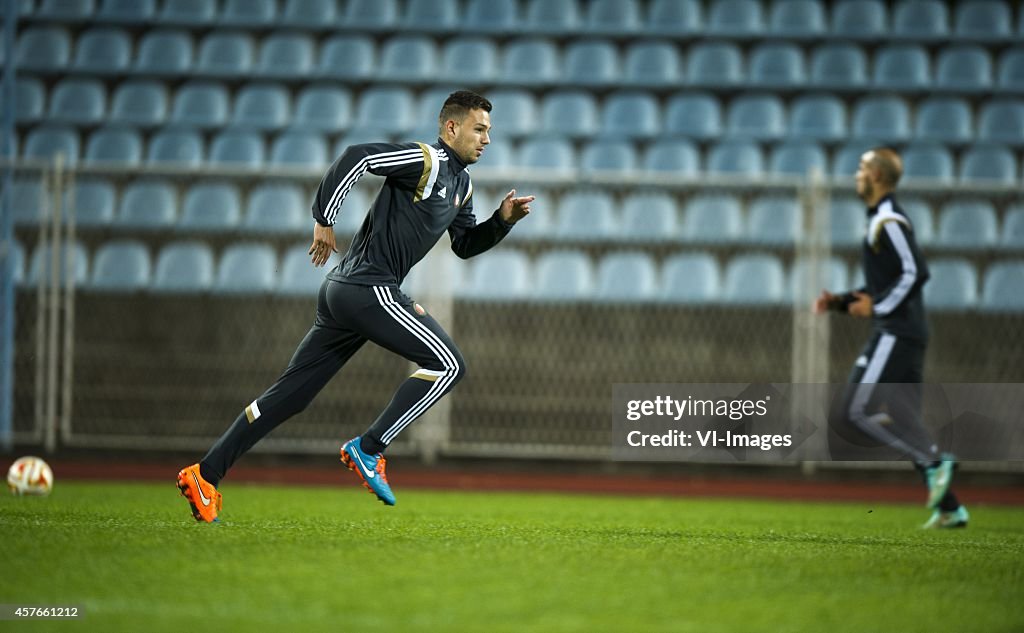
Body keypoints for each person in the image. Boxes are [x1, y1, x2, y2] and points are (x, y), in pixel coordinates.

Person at [176, 90, 534, 521]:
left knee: (290, 396)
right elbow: (358, 156)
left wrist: (502, 222)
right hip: (368, 288)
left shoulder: (462, 184)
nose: (487, 140)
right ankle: (369, 448)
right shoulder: (427, 161)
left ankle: (205, 474)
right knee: (448, 366)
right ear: (451, 127)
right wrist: (325, 218)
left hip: (346, 292)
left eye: (489, 131)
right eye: (479, 129)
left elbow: (464, 244)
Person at [813, 147, 968, 529]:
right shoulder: (879, 221)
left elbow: (916, 273)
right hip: (905, 330)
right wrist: (842, 301)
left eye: (862, 168)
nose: (856, 174)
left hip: (896, 331)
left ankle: (936, 462)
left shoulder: (889, 221)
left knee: (853, 411)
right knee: (904, 419)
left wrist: (878, 308)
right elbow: (885, 283)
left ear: (878, 176)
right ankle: (950, 508)